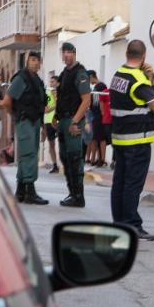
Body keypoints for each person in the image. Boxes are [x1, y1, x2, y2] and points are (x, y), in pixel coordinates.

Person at [109, 40, 154, 241]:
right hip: (137, 140)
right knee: (133, 184)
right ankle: (132, 225)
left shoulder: (118, 75)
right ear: (144, 56)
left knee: (119, 182)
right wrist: (149, 79)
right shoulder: (139, 79)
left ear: (126, 54)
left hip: (120, 140)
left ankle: (119, 223)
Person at [0, 52, 48, 205]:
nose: (35, 63)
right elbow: (7, 101)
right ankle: (30, 192)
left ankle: (20, 191)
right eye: (32, 60)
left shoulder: (37, 81)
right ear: (27, 62)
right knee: (29, 155)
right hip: (25, 121)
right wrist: (15, 116)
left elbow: (40, 105)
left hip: (34, 122)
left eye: (38, 60)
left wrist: (43, 126)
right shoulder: (21, 78)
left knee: (29, 154)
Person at [55, 42, 91, 208]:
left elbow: (86, 100)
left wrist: (75, 121)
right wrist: (56, 116)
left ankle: (79, 195)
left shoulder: (80, 73)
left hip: (73, 121)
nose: (67, 55)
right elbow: (62, 98)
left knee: (75, 159)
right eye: (64, 52)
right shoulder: (64, 73)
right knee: (65, 158)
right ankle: (72, 193)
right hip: (63, 120)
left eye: (69, 52)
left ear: (74, 54)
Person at [86, 70, 108, 166]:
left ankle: (102, 159)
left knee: (101, 138)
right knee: (94, 138)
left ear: (92, 76)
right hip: (94, 115)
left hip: (100, 115)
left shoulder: (102, 86)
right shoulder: (94, 87)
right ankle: (93, 159)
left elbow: (103, 101)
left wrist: (102, 113)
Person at [43, 75, 60, 173]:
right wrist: (55, 106)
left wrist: (55, 106)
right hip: (48, 121)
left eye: (53, 82)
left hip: (59, 121)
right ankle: (55, 165)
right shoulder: (47, 94)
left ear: (58, 83)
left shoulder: (61, 94)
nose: (51, 84)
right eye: (50, 82)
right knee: (51, 144)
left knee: (63, 143)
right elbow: (45, 109)